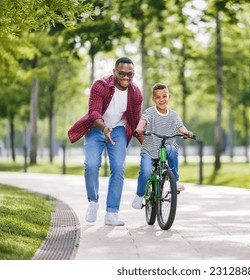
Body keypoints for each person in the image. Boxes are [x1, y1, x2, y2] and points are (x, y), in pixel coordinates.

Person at [68, 57, 143, 226]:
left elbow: (136, 121)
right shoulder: (100, 85)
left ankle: (111, 212)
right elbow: (94, 112)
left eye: (130, 74)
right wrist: (104, 129)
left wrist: (146, 144)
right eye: (122, 73)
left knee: (118, 167)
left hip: (118, 130)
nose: (126, 77)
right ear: (114, 72)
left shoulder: (136, 93)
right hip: (97, 127)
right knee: (92, 164)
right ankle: (93, 202)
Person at [132, 82, 193, 209]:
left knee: (173, 150)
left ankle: (174, 181)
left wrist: (186, 132)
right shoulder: (149, 112)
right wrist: (139, 128)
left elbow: (180, 126)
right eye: (158, 97)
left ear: (169, 97)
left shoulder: (173, 115)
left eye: (164, 96)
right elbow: (143, 122)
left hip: (166, 148)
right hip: (150, 149)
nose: (161, 100)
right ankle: (139, 196)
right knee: (145, 172)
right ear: (153, 99)